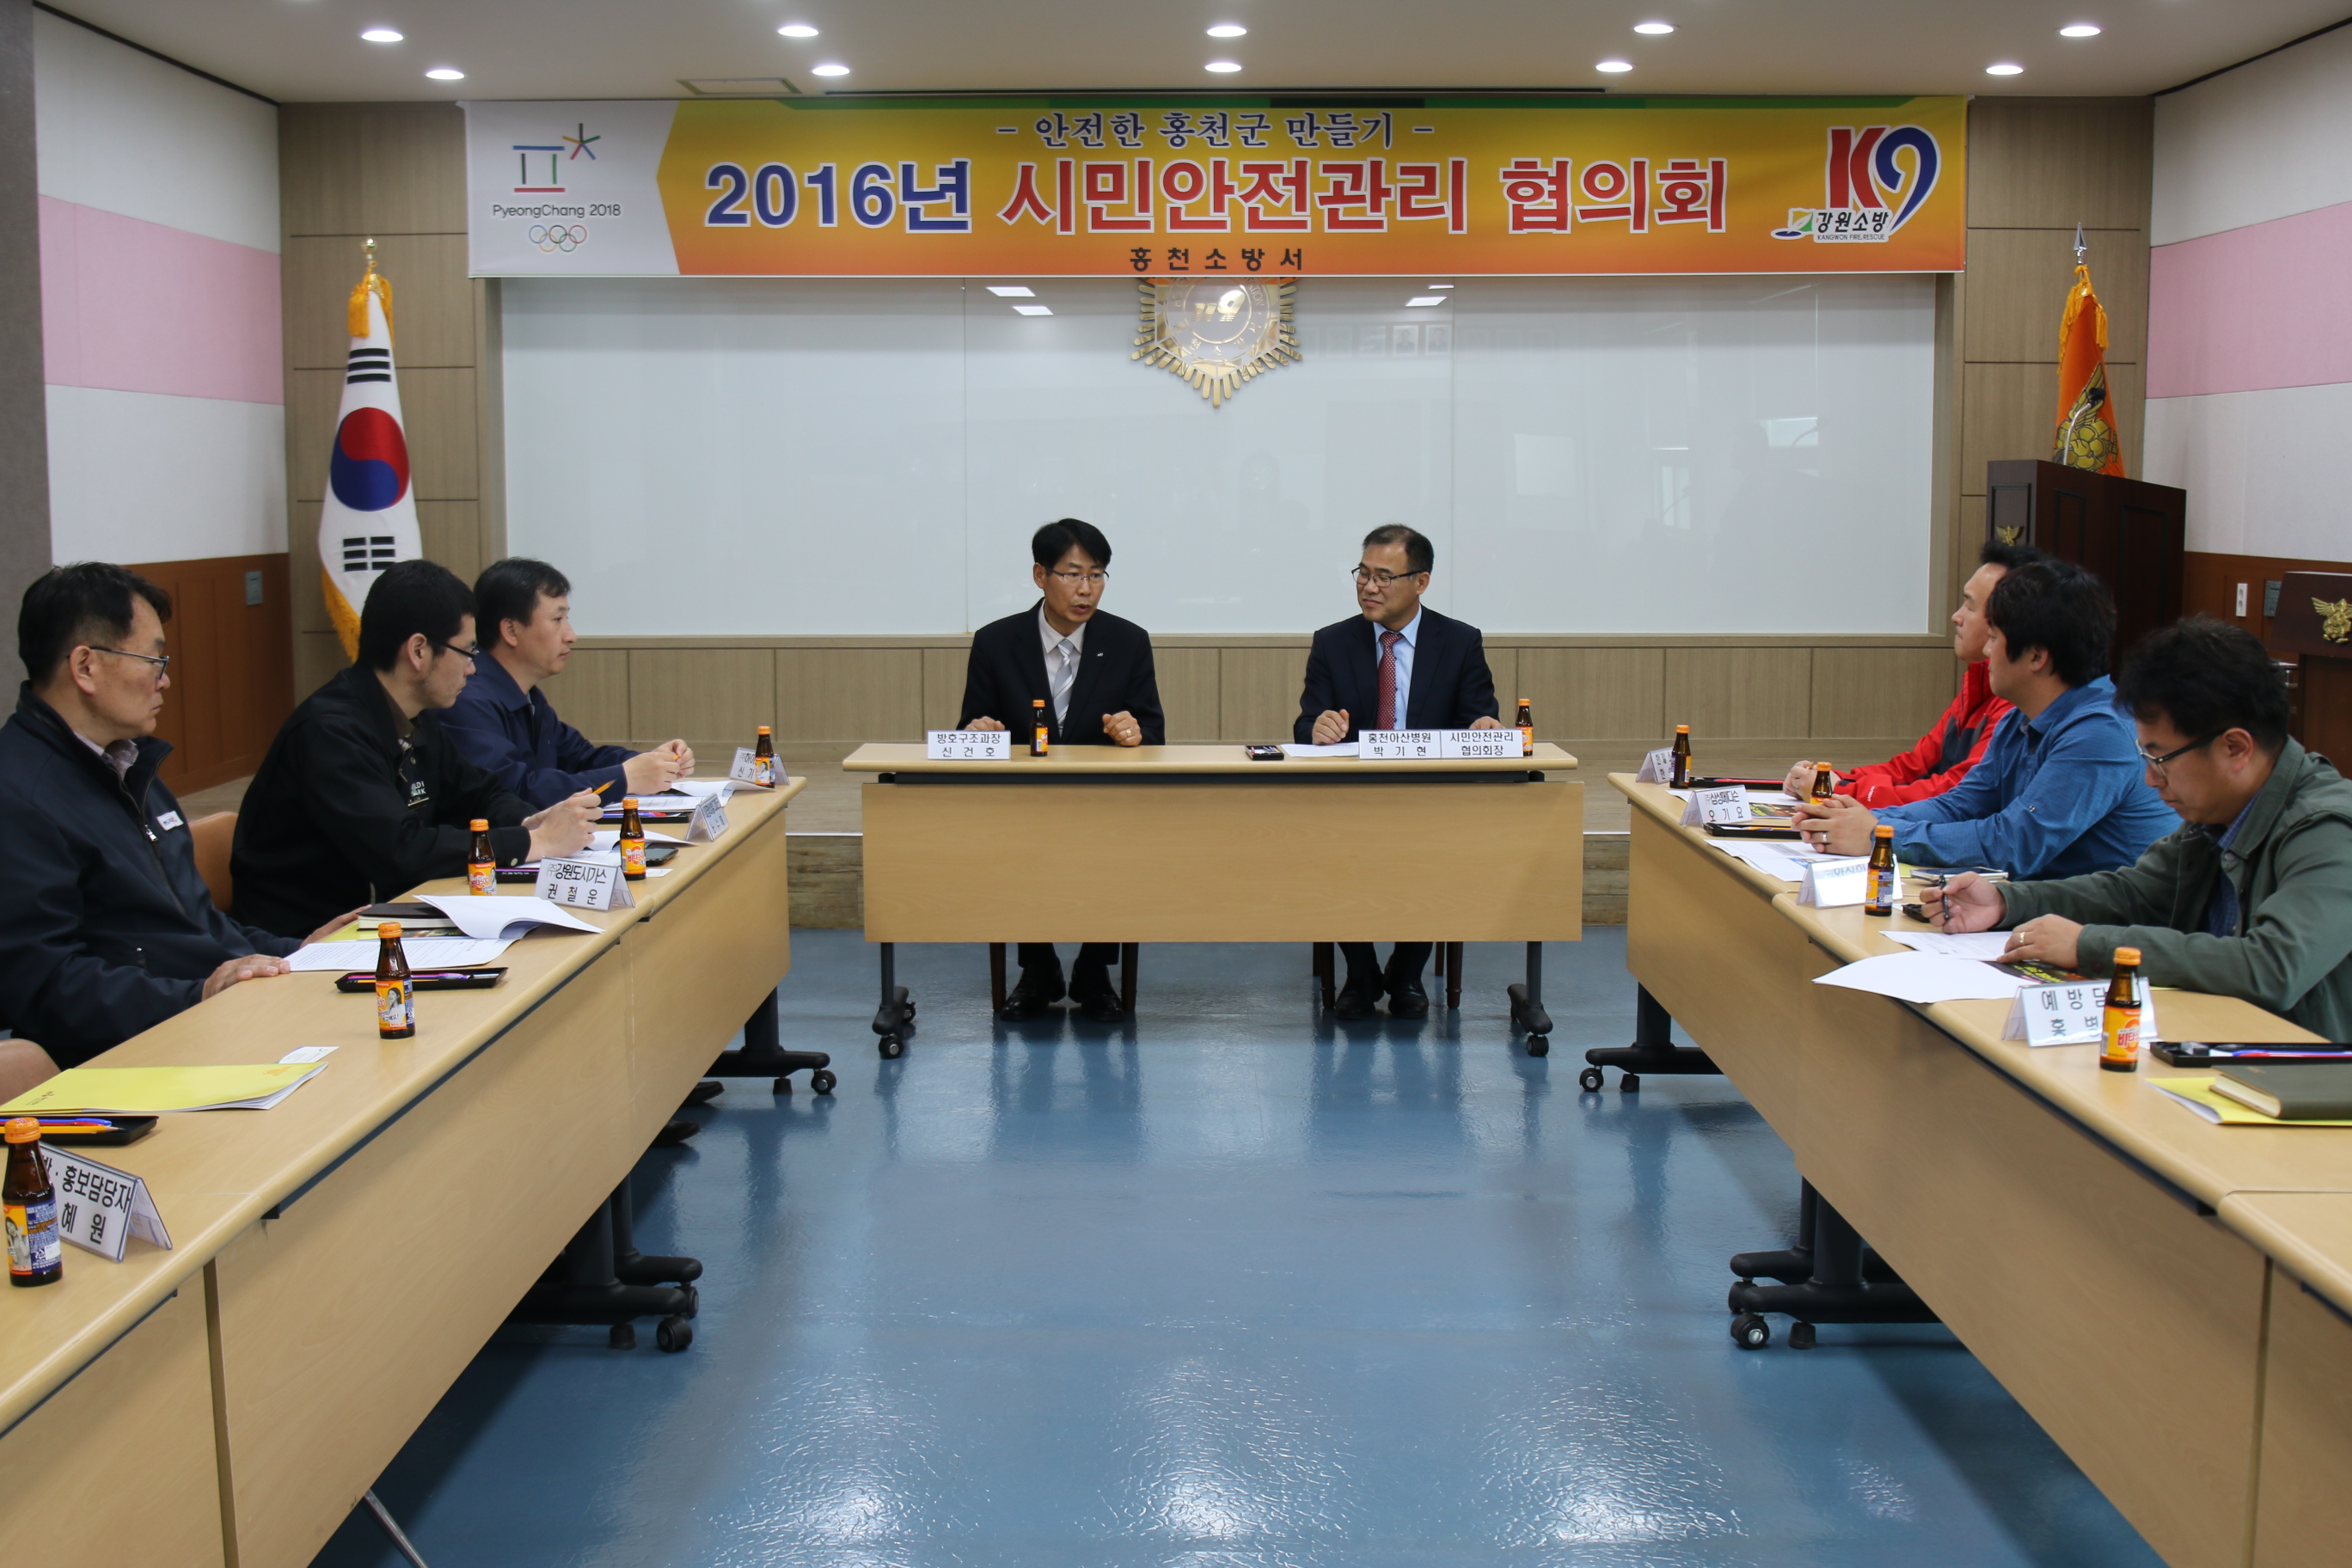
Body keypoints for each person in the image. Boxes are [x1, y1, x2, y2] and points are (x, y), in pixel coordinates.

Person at [1926, 617, 2352, 1038]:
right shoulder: (2218, 811)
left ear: (2235, 748)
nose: (2150, 779)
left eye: (2159, 759)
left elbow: (2273, 967)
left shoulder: (2330, 829)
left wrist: (2090, 946)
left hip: (2301, 1067)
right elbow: (2134, 893)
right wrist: (2006, 901)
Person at [0, 564, 352, 1066]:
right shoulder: (19, 797)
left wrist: (298, 951)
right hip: (131, 1057)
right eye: (153, 660)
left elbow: (194, 925)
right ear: (85, 666)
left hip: (209, 1021)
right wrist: (198, 997)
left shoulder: (129, 764)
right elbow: (45, 986)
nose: (165, 680)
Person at [231, 560, 601, 940]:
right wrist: (535, 842)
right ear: (419, 651)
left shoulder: (416, 716)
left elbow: (478, 794)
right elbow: (401, 852)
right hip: (305, 940)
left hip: (388, 917)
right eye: (467, 652)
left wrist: (531, 821)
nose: (472, 670)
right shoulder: (330, 732)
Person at [1793, 556, 2177, 878]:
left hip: (2104, 927)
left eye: (1994, 638)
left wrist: (1879, 833)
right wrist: (1854, 819)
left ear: (2036, 656)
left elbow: (2013, 843)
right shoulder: (2020, 718)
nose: (1986, 652)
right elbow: (1962, 804)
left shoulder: (2101, 732)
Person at [1295, 524, 1503, 1020]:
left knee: (1439, 851)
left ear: (1421, 582)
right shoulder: (1333, 642)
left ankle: (1408, 972)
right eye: (1363, 574)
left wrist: (1483, 725)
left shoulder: (1459, 642)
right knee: (1332, 848)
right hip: (1352, 797)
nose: (1369, 587)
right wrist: (1318, 727)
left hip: (1430, 799)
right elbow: (1306, 723)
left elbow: (1479, 717)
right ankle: (1361, 972)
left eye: (1384, 577)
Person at [959, 518, 1164, 1020]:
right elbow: (970, 727)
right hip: (1022, 801)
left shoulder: (1128, 640)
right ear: (1040, 575)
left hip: (1104, 802)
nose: (1085, 589)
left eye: (1096, 575)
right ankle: (1038, 968)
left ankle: (1095, 970)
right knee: (1017, 843)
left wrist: (1132, 733)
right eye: (1073, 574)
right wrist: (979, 730)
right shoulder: (996, 642)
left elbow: (1154, 733)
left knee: (1116, 844)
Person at [1783, 540, 2036, 805]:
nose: (1956, 616)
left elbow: (1959, 794)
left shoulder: (2015, 702)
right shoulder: (1978, 682)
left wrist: (1841, 790)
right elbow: (1914, 768)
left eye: (1970, 607)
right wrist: (1831, 779)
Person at [444, 557, 695, 807]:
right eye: (557, 620)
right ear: (511, 630)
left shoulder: (528, 696)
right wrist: (625, 777)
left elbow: (580, 759)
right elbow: (512, 793)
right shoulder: (466, 699)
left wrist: (653, 762)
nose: (571, 636)